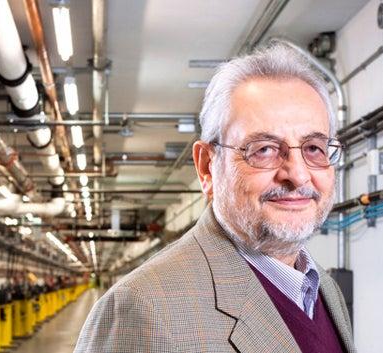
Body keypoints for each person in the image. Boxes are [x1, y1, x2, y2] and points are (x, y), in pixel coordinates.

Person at [74, 40, 356, 353]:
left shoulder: (323, 290)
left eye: (314, 149)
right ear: (207, 167)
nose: (298, 174)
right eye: (263, 150)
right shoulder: (144, 308)